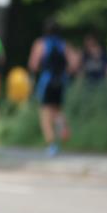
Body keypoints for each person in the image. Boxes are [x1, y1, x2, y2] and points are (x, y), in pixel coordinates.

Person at [28, 18, 81, 156]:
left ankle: (51, 145)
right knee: (57, 109)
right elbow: (75, 63)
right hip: (61, 81)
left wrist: (36, 73)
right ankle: (63, 125)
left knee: (45, 113)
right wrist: (67, 73)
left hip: (47, 81)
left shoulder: (40, 44)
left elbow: (33, 64)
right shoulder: (64, 45)